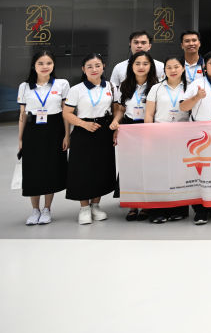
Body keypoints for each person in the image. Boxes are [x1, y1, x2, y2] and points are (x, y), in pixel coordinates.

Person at [63, 53, 117, 225]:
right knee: (82, 170)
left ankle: (95, 205)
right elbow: (67, 113)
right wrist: (83, 124)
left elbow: (116, 108)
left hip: (104, 131)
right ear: (83, 69)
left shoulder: (110, 86)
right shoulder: (76, 89)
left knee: (101, 168)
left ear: (103, 66)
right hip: (83, 131)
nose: (94, 69)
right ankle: (84, 208)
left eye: (97, 65)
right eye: (90, 66)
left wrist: (115, 126)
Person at [18, 51, 70, 226]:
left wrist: (67, 135)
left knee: (51, 168)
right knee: (33, 170)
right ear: (34, 65)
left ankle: (47, 209)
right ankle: (35, 210)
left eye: (49, 63)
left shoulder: (62, 84)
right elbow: (22, 115)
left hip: (54, 129)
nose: (45, 66)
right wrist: (20, 139)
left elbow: (65, 113)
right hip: (32, 130)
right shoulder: (25, 86)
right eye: (40, 63)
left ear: (53, 65)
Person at [179, 51, 211, 224]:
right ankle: (200, 209)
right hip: (198, 134)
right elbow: (183, 107)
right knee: (198, 171)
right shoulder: (197, 83)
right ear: (205, 67)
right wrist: (197, 97)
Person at [111, 52, 159, 221]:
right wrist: (116, 123)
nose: (141, 67)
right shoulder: (125, 86)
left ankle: (146, 205)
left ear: (151, 66)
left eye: (145, 63)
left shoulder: (156, 86)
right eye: (137, 63)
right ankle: (132, 205)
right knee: (130, 167)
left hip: (148, 128)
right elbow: (121, 109)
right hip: (129, 129)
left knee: (147, 167)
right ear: (131, 66)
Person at [144, 56, 192, 223]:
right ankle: (157, 210)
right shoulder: (156, 88)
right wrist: (148, 135)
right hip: (159, 134)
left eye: (176, 66)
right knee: (159, 173)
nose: (173, 70)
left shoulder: (190, 87)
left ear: (183, 68)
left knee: (179, 173)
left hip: (181, 135)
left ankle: (179, 209)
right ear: (164, 70)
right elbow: (149, 114)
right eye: (169, 67)